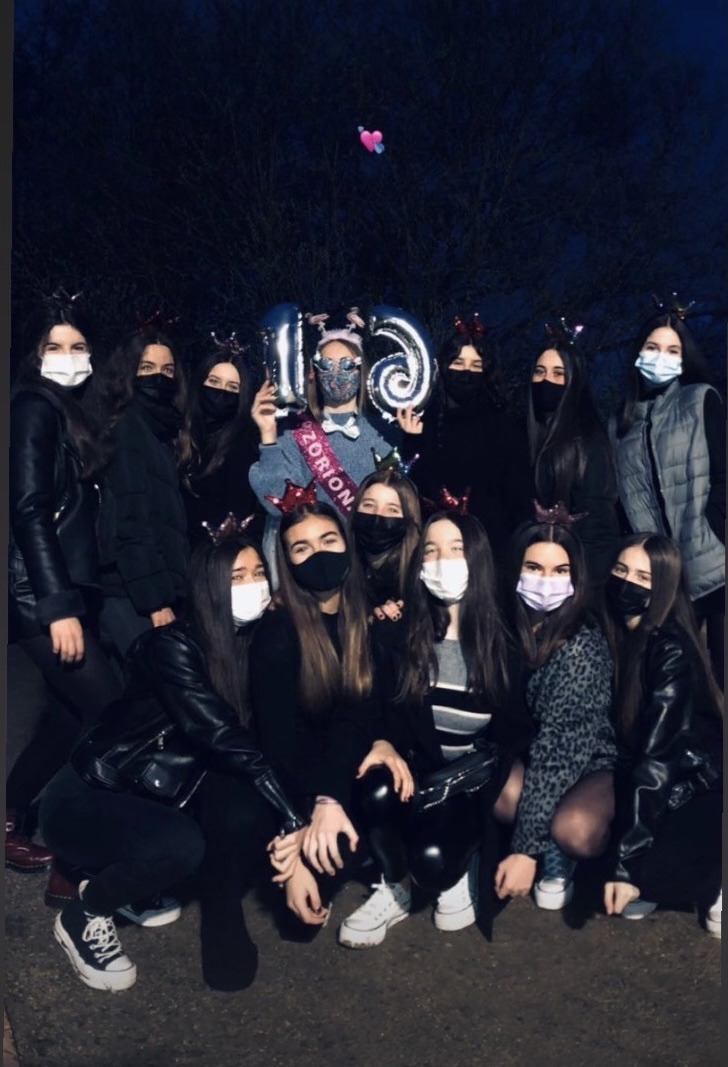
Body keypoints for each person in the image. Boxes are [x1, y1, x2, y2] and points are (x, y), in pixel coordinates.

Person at [38, 525, 309, 992]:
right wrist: (294, 818)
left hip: (152, 795)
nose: (253, 585)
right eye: (237, 577)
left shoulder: (246, 642)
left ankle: (134, 879)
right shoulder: (173, 646)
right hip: (87, 802)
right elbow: (217, 732)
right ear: (208, 587)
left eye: (259, 573)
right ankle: (85, 913)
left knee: (224, 813)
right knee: (183, 847)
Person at [334, 509, 534, 948]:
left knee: (434, 862)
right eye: (431, 551)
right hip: (415, 774)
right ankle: (395, 884)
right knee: (373, 787)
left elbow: (519, 732)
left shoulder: (506, 643)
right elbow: (369, 703)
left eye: (456, 549)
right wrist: (382, 741)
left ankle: (465, 856)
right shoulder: (398, 632)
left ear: (477, 558)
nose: (442, 561)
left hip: (468, 785)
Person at [7, 290, 122, 878]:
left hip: (69, 590)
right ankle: (77, 859)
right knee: (110, 713)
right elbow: (28, 510)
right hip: (40, 594)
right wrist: (57, 606)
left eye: (78, 346)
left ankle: (10, 817)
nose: (68, 357)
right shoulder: (33, 405)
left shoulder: (70, 409)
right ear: (33, 353)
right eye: (53, 346)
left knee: (67, 720)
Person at [493, 506, 617, 911]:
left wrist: (526, 850)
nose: (545, 581)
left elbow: (561, 748)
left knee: (576, 830)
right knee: (500, 792)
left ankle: (553, 849)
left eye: (560, 570)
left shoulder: (581, 644)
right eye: (534, 567)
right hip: (526, 752)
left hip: (586, 760)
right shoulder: (503, 625)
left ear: (576, 577)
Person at [602, 534, 722, 937]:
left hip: (698, 782)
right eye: (621, 570)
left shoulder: (670, 650)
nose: (627, 583)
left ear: (665, 587)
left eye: (643, 577)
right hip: (661, 783)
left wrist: (627, 863)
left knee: (644, 872)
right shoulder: (616, 635)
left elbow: (659, 756)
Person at [611, 304, 725, 688]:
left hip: (715, 566)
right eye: (652, 347)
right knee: (677, 683)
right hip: (661, 578)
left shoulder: (699, 399)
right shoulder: (620, 422)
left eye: (672, 350)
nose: (661, 357)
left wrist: (714, 530)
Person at [248, 311, 400, 580]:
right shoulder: (294, 432)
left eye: (347, 364)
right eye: (326, 365)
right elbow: (276, 503)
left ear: (361, 370)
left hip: (367, 572)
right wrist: (268, 434)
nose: (336, 373)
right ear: (314, 372)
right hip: (312, 569)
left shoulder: (383, 433)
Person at [397, 314, 533, 567]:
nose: (466, 372)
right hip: (434, 552)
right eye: (458, 362)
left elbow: (519, 501)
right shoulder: (424, 422)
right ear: (443, 367)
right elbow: (414, 493)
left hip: (490, 556)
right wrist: (413, 441)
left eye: (476, 365)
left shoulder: (505, 427)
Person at [95, 321, 193, 661]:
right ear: (127, 373)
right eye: (146, 368)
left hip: (150, 590)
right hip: (132, 595)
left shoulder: (159, 431)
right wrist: (156, 602)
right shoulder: (128, 428)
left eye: (167, 370)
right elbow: (131, 521)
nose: (159, 378)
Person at [525, 321, 619, 585]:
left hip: (578, 575)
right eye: (540, 371)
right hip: (539, 569)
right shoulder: (529, 433)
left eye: (558, 373)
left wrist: (583, 586)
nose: (547, 380)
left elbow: (598, 524)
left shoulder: (588, 438)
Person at [183, 336, 263, 548]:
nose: (221, 392)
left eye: (232, 387)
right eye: (214, 382)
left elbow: (238, 516)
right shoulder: (179, 434)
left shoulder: (242, 447)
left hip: (213, 555)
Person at [349, 466, 422, 620]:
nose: (378, 516)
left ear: (409, 519)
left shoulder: (417, 577)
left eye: (392, 510)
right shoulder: (344, 569)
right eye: (369, 505)